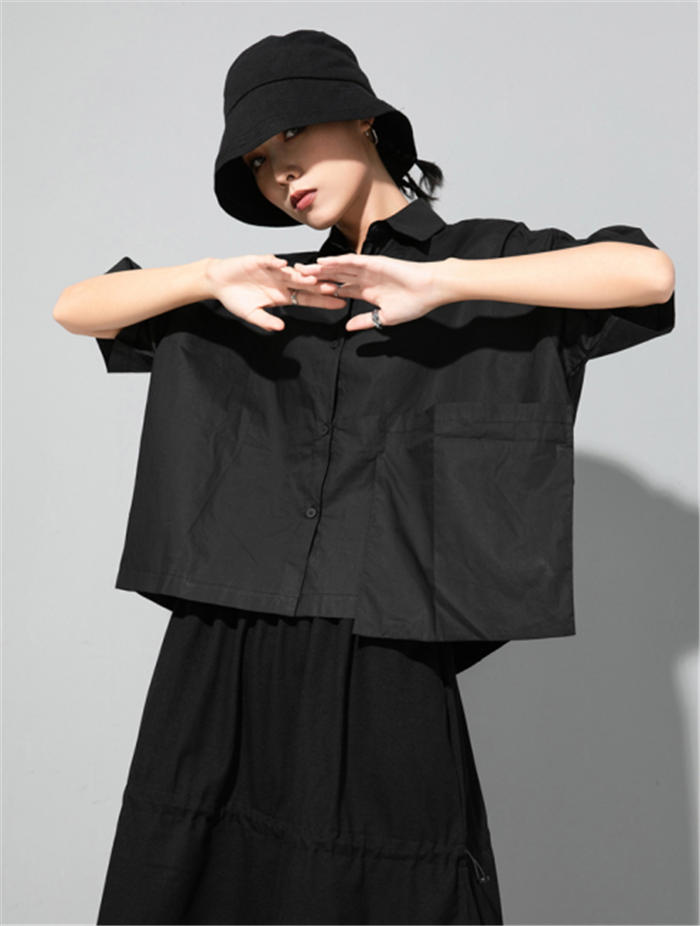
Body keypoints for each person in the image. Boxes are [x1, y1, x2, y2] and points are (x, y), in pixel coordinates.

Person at [52, 29, 675, 926]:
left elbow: (648, 275)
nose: (279, 173)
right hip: (225, 643)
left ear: (363, 120)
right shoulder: (264, 288)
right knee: (192, 883)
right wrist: (211, 276)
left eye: (290, 137)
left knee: (393, 885)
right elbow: (77, 308)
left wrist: (446, 284)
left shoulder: (484, 261)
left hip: (387, 645)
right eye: (257, 162)